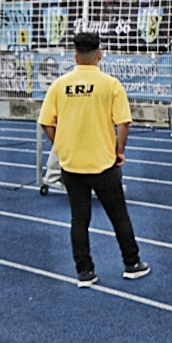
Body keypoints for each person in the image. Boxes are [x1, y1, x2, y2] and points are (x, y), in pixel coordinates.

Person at [38, 32, 150, 288]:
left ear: (75, 57)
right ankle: (132, 263)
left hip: (71, 164)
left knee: (79, 219)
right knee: (119, 215)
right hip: (103, 162)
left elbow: (46, 122)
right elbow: (123, 122)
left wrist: (61, 146)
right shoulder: (110, 84)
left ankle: (85, 271)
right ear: (100, 55)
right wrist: (119, 150)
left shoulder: (60, 85)